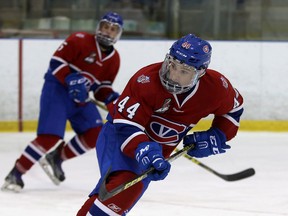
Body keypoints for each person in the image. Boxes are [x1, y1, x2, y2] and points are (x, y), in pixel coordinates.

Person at [76, 33, 244, 215]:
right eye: (172, 65)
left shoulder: (216, 88)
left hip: (156, 153)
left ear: (201, 72)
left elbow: (234, 108)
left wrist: (219, 134)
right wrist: (143, 149)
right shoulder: (145, 80)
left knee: (115, 203)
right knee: (122, 188)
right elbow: (127, 126)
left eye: (184, 71)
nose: (174, 75)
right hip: (120, 139)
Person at [1, 11, 124, 192]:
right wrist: (70, 78)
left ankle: (57, 158)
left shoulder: (114, 59)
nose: (108, 32)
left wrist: (110, 98)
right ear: (98, 27)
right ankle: (16, 173)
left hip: (80, 98)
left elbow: (101, 87)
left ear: (118, 33)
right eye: (105, 27)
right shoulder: (79, 39)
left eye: (113, 29)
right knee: (50, 137)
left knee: (96, 133)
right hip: (57, 90)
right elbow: (56, 62)